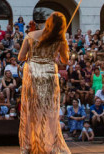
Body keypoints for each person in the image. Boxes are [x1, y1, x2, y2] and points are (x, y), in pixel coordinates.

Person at [17, 12, 70, 154]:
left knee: (31, 109)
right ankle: (50, 146)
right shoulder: (60, 39)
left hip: (32, 73)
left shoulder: (31, 35)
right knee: (49, 111)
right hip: (49, 74)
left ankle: (28, 146)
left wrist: (34, 56)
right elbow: (65, 60)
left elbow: (21, 57)